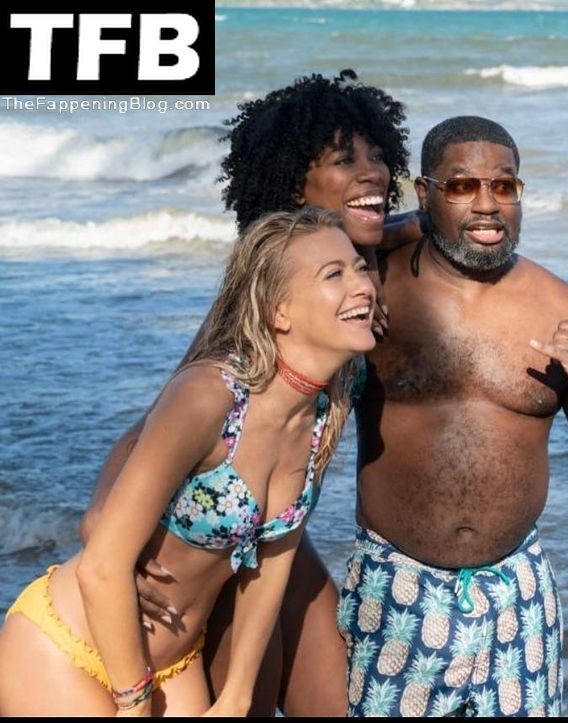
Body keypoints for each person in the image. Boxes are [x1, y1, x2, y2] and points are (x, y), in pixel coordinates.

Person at [76, 70, 413, 716]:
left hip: (281, 529)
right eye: (345, 161)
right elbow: (166, 415)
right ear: (294, 190)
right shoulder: (267, 301)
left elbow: (417, 223)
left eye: (378, 156)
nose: (372, 173)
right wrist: (101, 522)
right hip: (226, 539)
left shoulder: (368, 263)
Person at [0, 207, 377, 715]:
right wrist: (133, 703)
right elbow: (101, 565)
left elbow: (274, 557)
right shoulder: (208, 396)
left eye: (359, 268)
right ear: (279, 311)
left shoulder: (325, 409)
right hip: (68, 648)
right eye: (335, 274)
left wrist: (238, 693)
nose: (362, 286)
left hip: (175, 664)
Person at [337, 115, 568, 717]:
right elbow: (301, 244)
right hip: (394, 590)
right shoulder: (373, 290)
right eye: (461, 186)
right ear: (425, 194)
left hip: (518, 597)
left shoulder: (565, 309)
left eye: (504, 186)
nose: (487, 205)